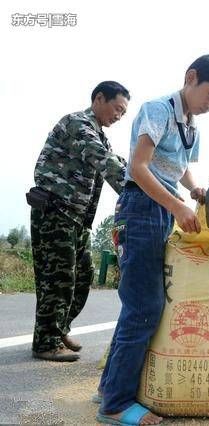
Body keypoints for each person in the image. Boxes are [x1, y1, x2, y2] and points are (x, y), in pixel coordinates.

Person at [95, 54, 209, 426]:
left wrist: (194, 189)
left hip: (161, 208)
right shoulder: (157, 109)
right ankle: (115, 404)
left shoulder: (191, 125)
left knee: (143, 303)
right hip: (142, 207)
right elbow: (139, 168)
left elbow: (181, 165)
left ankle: (109, 386)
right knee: (144, 306)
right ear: (191, 78)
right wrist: (176, 205)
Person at [29, 81, 130, 362]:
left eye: (123, 113)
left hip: (77, 218)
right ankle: (46, 341)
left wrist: (145, 172)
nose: (119, 116)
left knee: (82, 277)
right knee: (58, 279)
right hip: (55, 212)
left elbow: (117, 160)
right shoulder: (78, 124)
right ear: (99, 98)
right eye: (117, 109)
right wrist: (138, 193)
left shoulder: (100, 136)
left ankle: (58, 328)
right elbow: (105, 162)